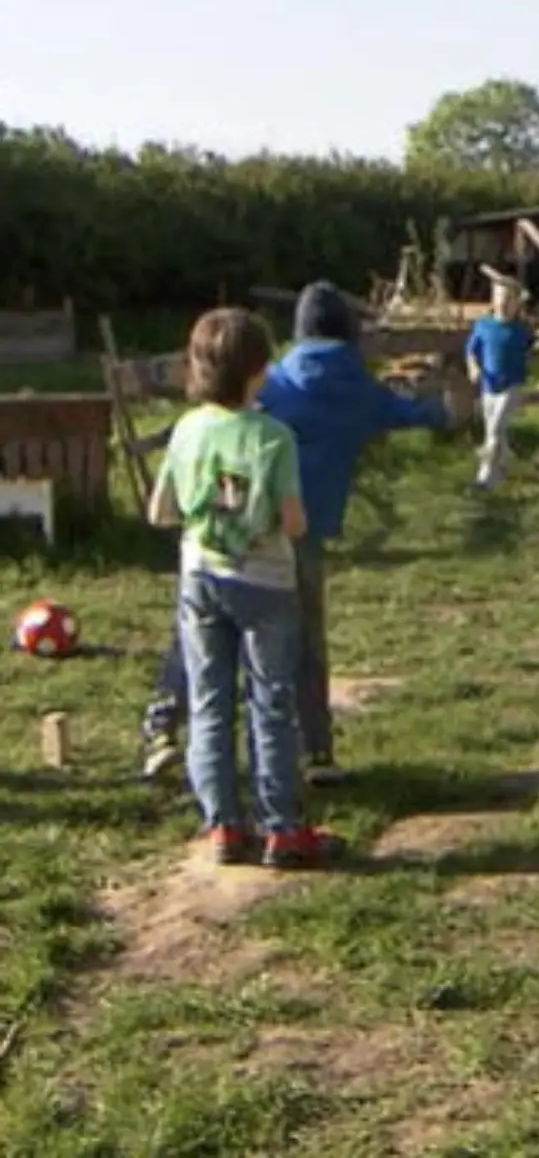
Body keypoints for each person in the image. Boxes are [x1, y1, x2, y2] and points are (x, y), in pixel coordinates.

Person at [142, 281, 458, 785]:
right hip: (299, 537)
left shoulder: (272, 383)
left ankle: (164, 730)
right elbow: (417, 413)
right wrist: (444, 405)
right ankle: (316, 751)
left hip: (226, 529)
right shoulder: (364, 392)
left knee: (198, 635)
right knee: (304, 642)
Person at [148, 306, 332, 868]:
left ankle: (223, 826)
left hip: (201, 577)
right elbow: (294, 522)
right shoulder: (273, 437)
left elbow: (159, 511)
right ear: (258, 369)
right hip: (266, 583)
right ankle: (282, 829)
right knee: (270, 703)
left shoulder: (186, 429)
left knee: (209, 701)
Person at [466, 278, 534, 490]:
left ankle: (484, 477)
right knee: (495, 432)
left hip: (511, 387)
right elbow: (471, 351)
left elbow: (534, 348)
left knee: (494, 430)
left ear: (516, 303)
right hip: (488, 386)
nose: (504, 303)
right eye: (499, 298)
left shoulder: (521, 329)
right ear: (493, 300)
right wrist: (473, 368)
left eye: (508, 299)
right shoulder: (483, 326)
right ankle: (504, 464)